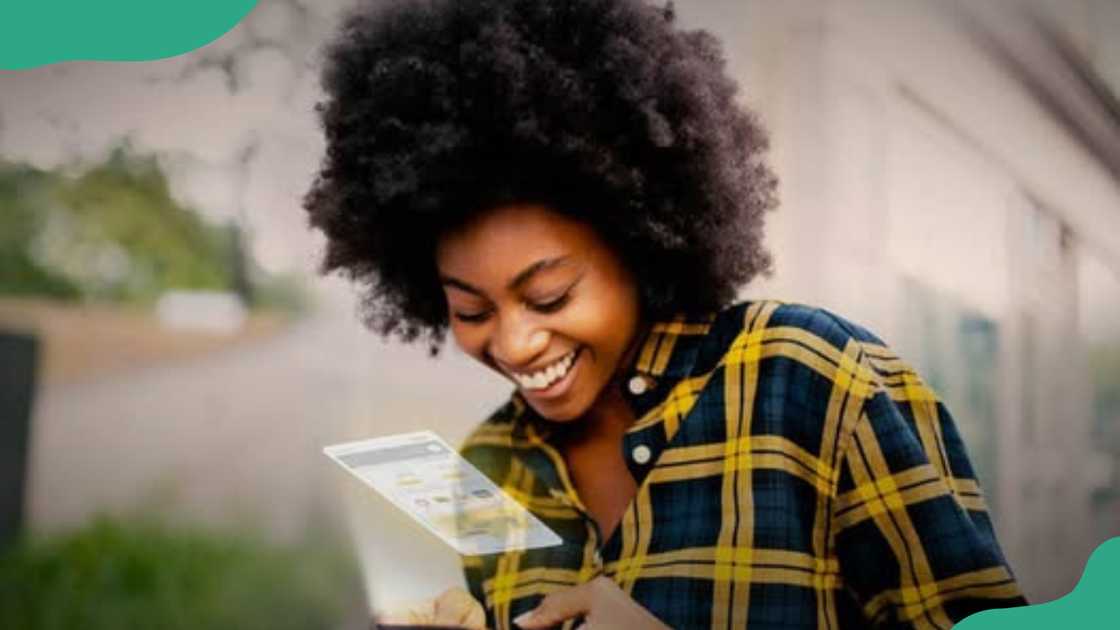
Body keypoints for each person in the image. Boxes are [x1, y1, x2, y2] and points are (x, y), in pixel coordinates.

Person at [303, 0, 1028, 628]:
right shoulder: (486, 469)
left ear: (637, 238)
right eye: (471, 309)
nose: (517, 344)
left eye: (550, 296)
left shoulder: (808, 380)